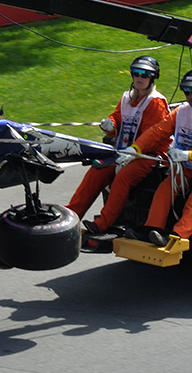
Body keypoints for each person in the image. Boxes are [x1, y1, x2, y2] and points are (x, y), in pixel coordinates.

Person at [117, 68, 192, 246]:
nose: (190, 96)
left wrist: (187, 155)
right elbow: (158, 131)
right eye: (186, 91)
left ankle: (177, 236)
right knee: (164, 189)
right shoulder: (181, 111)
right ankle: (151, 229)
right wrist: (135, 149)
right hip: (187, 164)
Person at [68, 56, 170, 237]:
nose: (139, 78)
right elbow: (118, 117)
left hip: (151, 156)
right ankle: (71, 216)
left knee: (123, 177)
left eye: (145, 74)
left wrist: (134, 151)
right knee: (97, 170)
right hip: (125, 153)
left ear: (153, 77)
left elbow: (153, 137)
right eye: (136, 73)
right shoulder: (127, 98)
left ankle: (103, 224)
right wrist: (111, 125)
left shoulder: (156, 102)